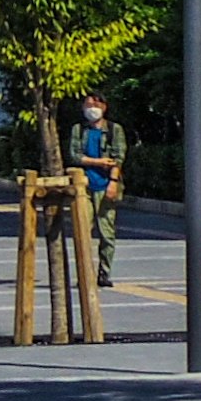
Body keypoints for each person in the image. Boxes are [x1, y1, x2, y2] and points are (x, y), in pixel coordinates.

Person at [68, 91, 128, 286]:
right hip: (84, 185)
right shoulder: (78, 130)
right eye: (87, 105)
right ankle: (85, 272)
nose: (91, 109)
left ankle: (104, 272)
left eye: (95, 105)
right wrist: (98, 161)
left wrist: (113, 182)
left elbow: (118, 157)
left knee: (106, 231)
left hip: (106, 186)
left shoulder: (114, 130)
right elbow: (75, 155)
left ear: (104, 107)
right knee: (83, 229)